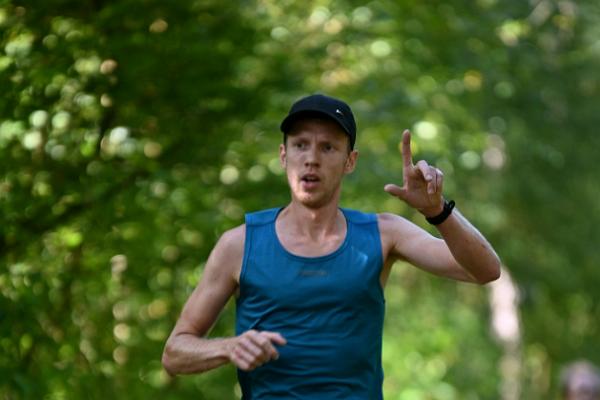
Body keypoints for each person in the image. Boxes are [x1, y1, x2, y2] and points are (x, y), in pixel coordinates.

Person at [162, 94, 501, 399]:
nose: (311, 159)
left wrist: (437, 211)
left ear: (350, 161)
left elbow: (485, 270)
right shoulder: (240, 244)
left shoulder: (383, 234)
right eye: (300, 145)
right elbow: (175, 353)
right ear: (283, 155)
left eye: (327, 148)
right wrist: (228, 348)